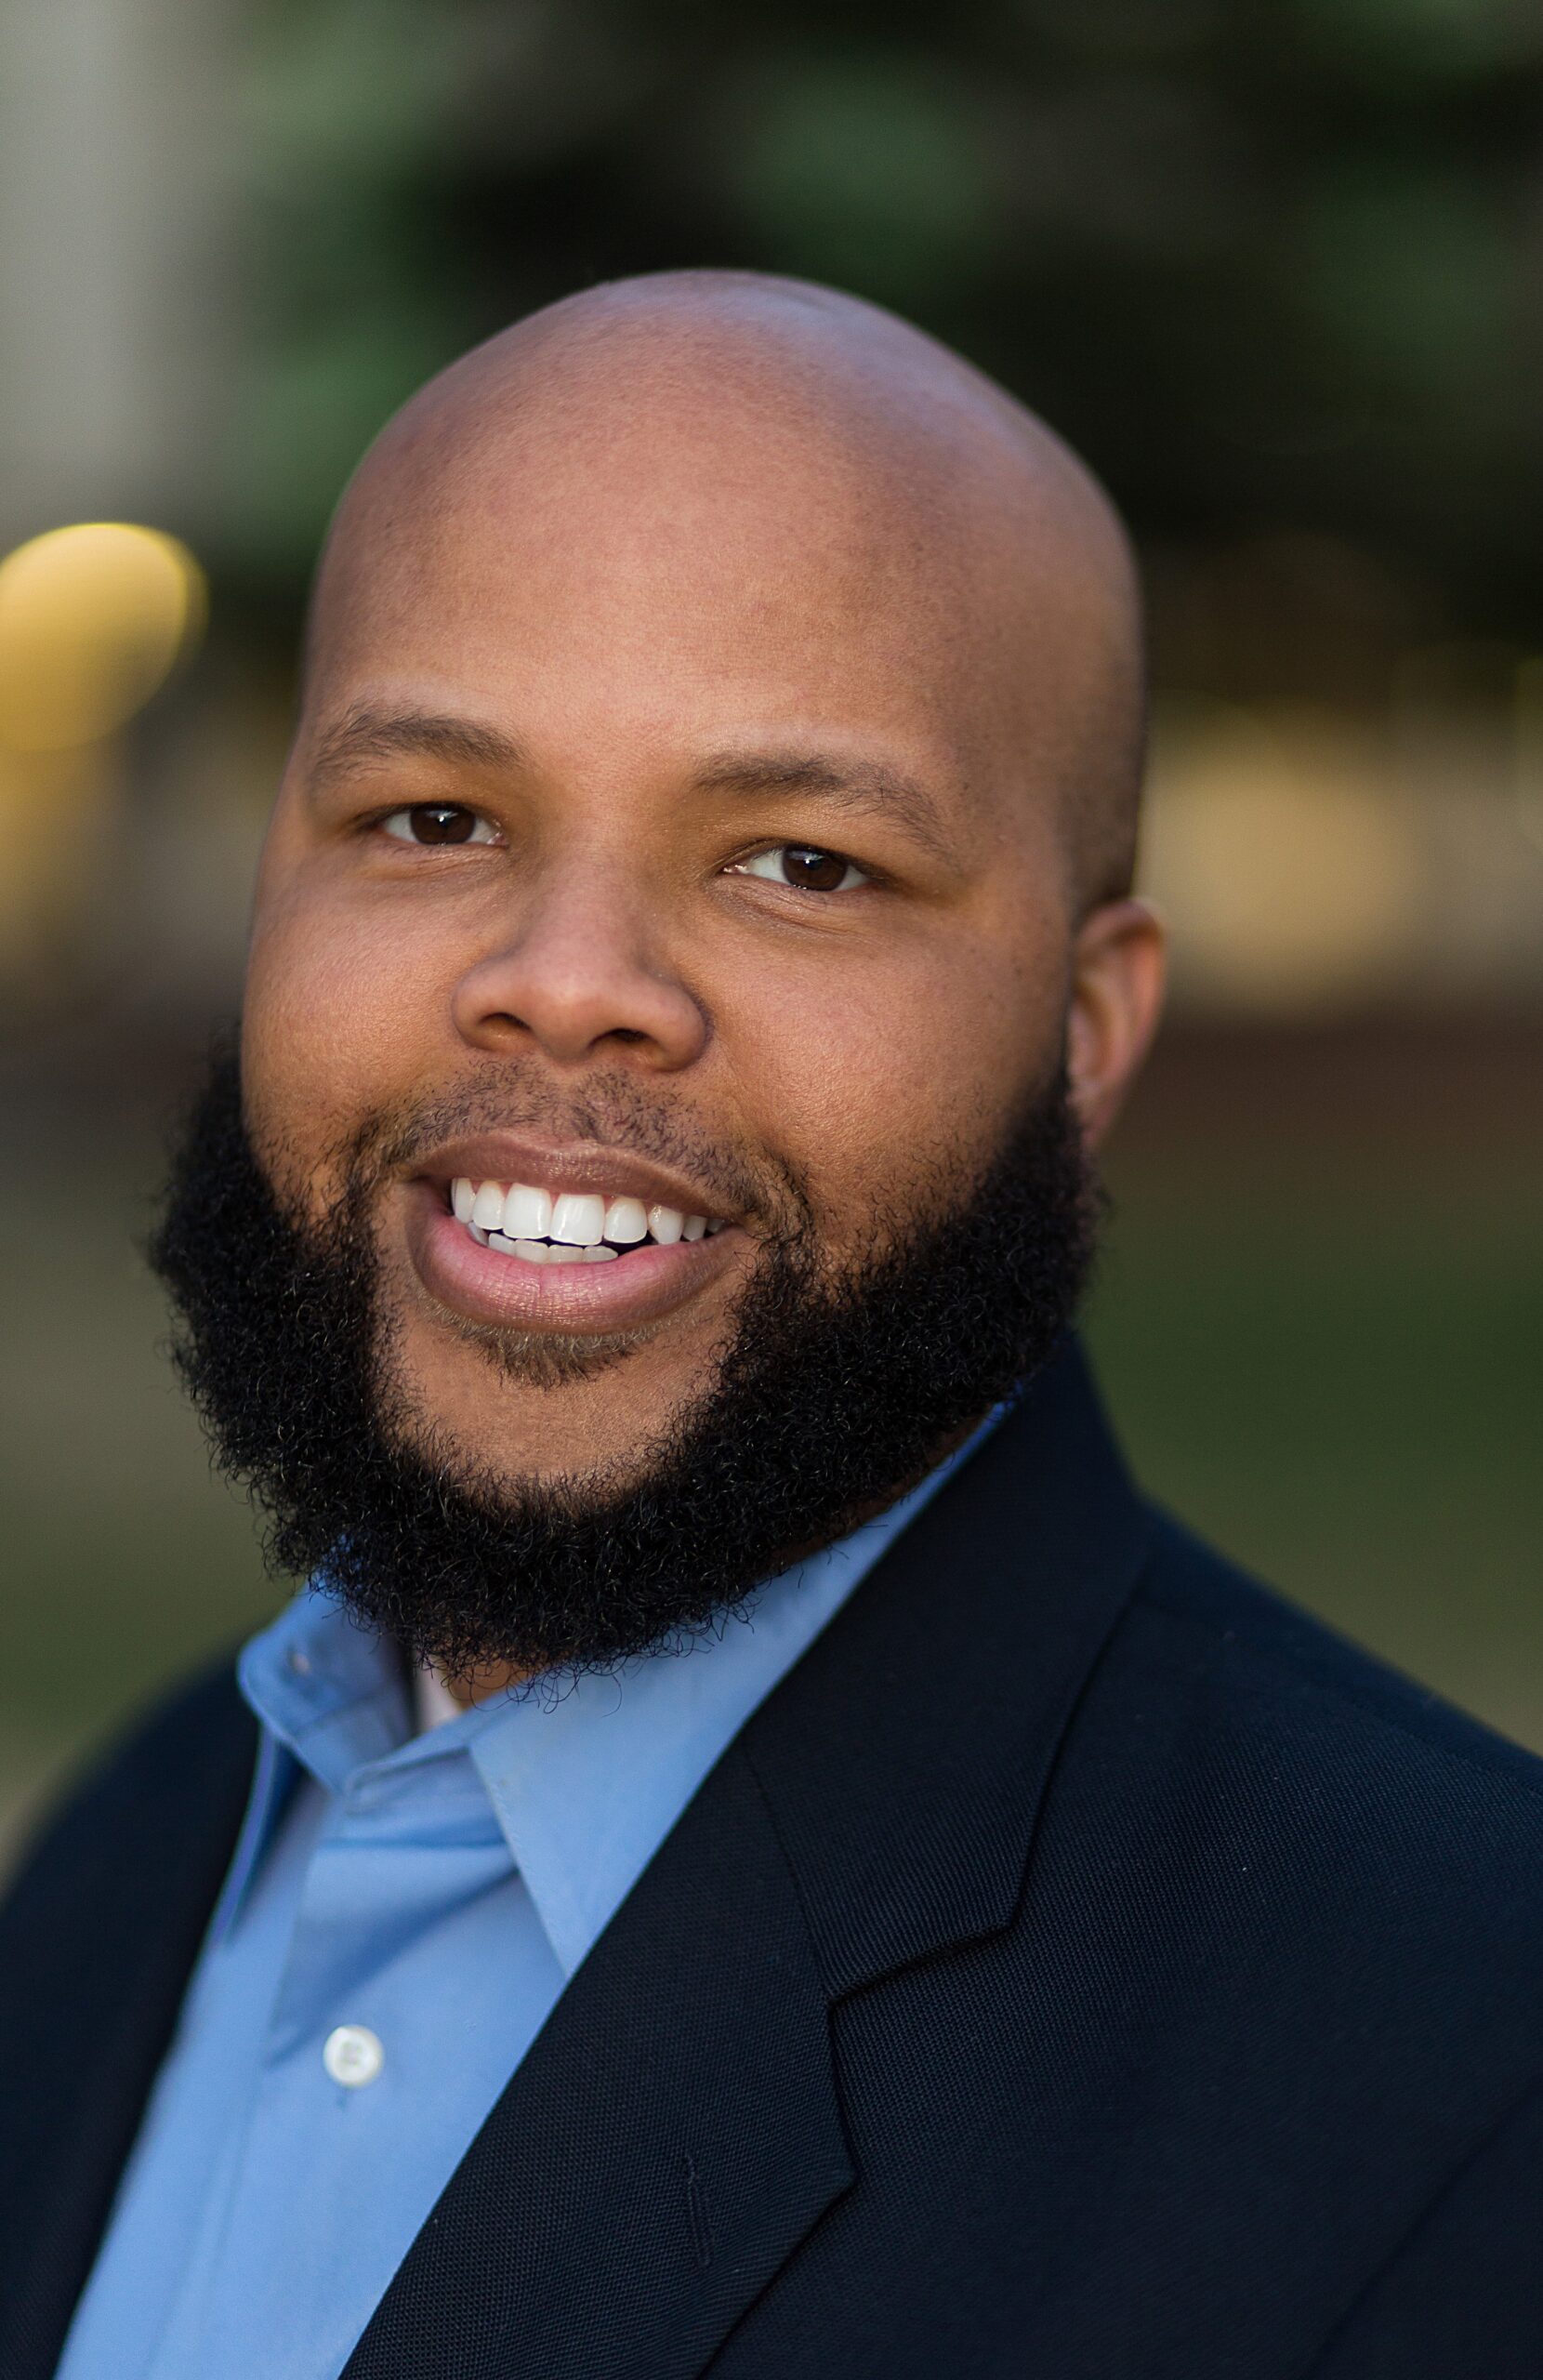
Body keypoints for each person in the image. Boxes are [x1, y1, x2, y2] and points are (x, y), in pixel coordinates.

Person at [3, 271, 1541, 2380]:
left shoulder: (1462, 2072)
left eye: (800, 862)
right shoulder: (131, 1855)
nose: (565, 976)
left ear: (1081, 1035)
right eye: (432, 817)